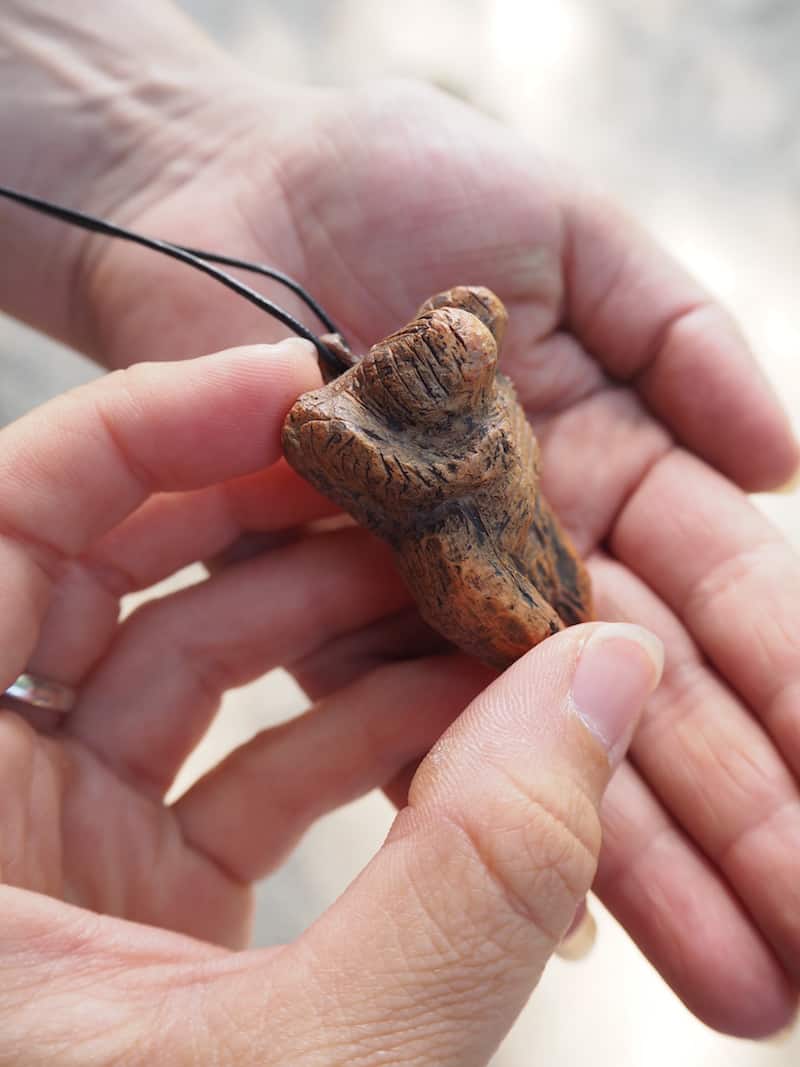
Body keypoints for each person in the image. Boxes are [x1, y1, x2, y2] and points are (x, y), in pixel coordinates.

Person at [1, 2, 799, 1062]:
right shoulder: (383, 439)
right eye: (437, 360)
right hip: (461, 545)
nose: (454, 366)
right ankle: (552, 659)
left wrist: (174, 141)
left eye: (461, 356)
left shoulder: (478, 386)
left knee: (553, 566)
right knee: (502, 598)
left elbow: (478, 324)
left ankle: (562, 631)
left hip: (526, 513)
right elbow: (329, 436)